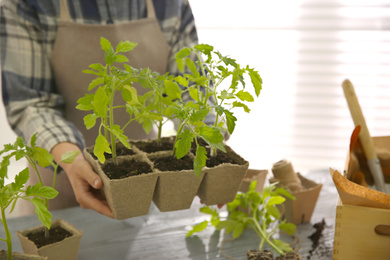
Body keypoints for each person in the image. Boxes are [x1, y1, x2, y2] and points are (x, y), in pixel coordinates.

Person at [0, 0, 204, 218]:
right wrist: (73, 159)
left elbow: (190, 87)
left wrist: (204, 147)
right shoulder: (27, 4)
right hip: (60, 180)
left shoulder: (171, 5)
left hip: (141, 184)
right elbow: (31, 102)